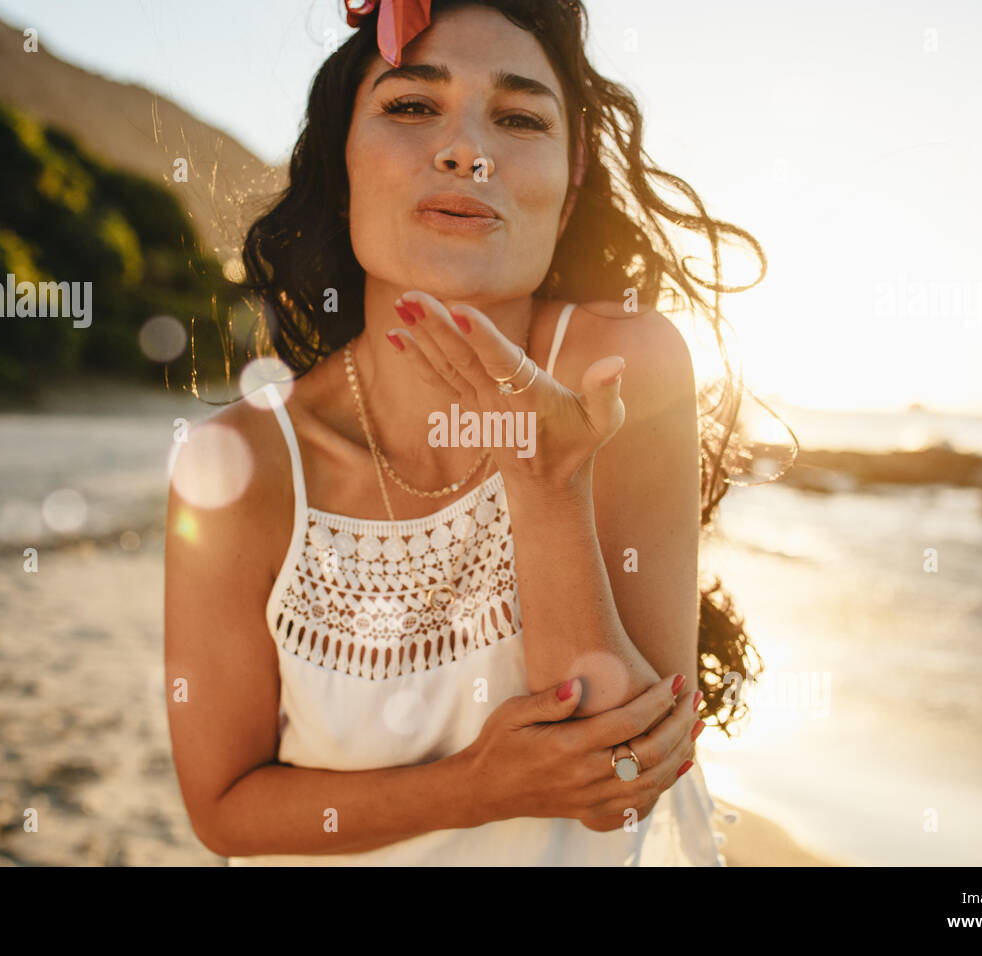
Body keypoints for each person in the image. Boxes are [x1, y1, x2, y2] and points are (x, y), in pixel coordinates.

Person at [165, 0, 780, 865]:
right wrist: (478, 788)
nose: (466, 151)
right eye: (412, 106)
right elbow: (225, 810)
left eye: (519, 117)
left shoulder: (623, 368)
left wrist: (546, 484)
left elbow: (625, 777)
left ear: (567, 195)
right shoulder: (237, 464)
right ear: (343, 172)